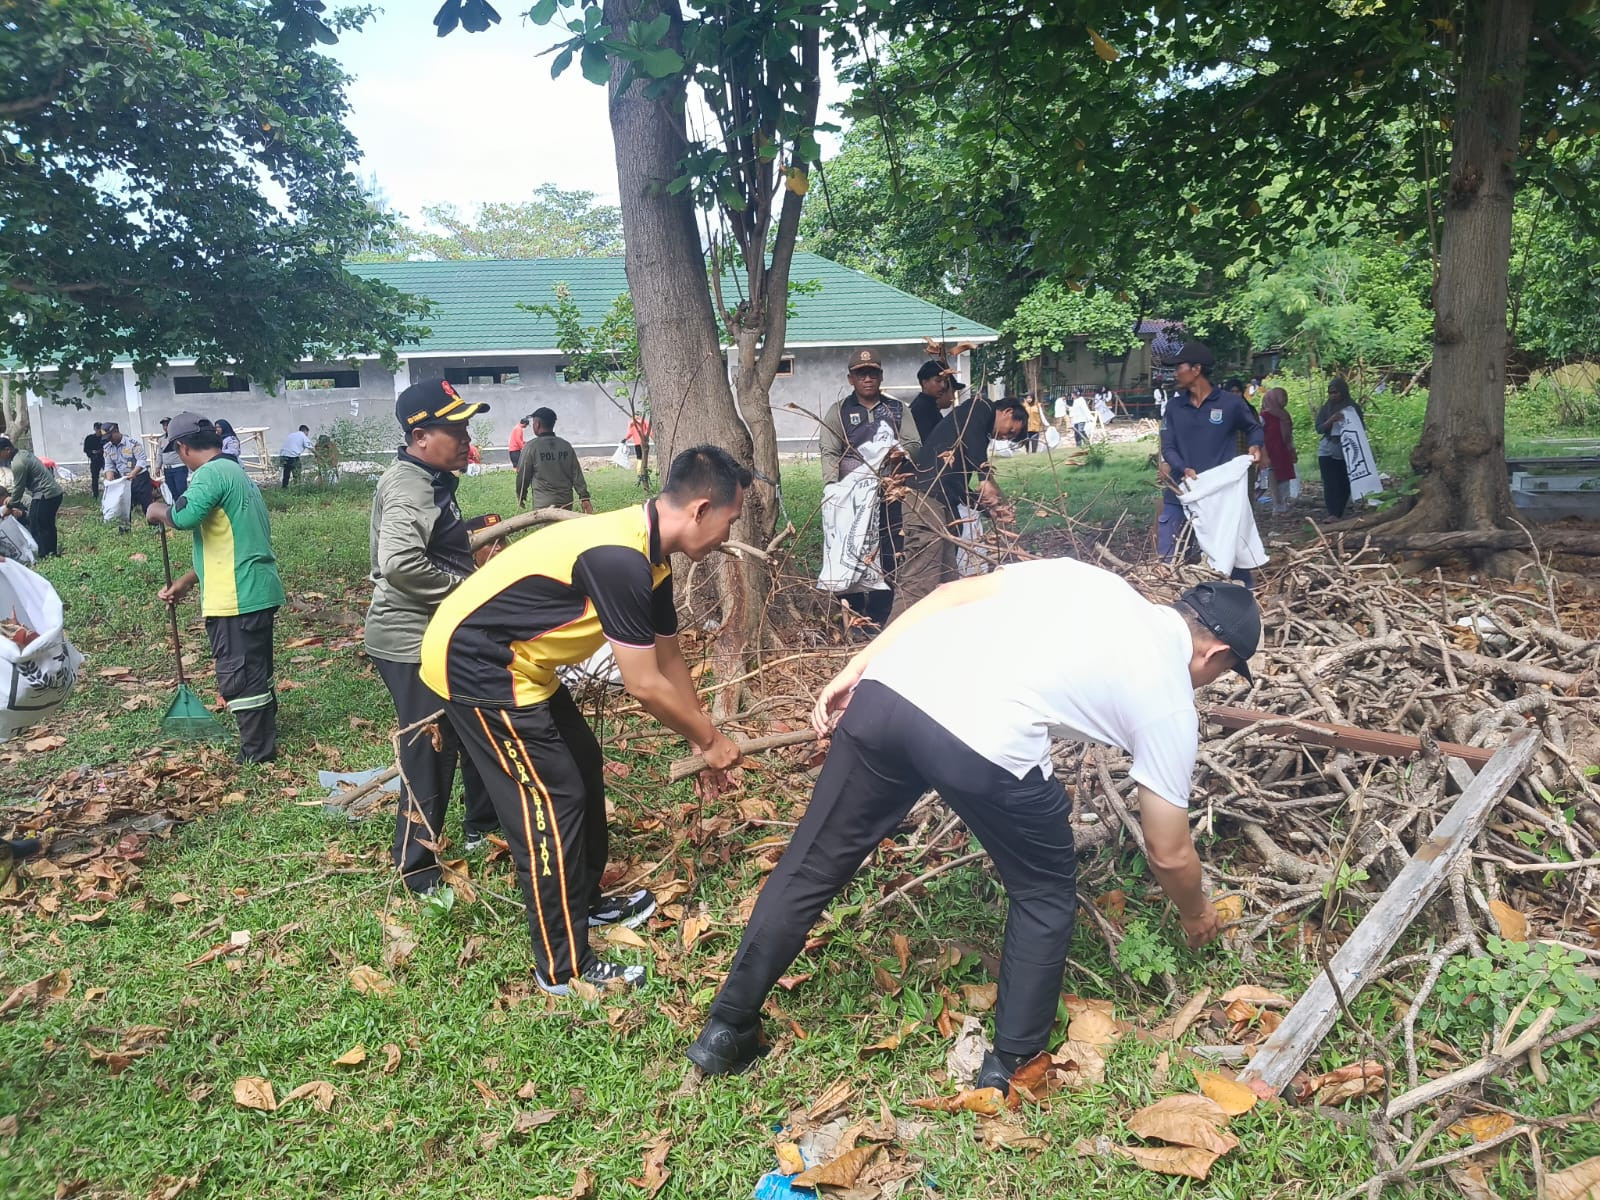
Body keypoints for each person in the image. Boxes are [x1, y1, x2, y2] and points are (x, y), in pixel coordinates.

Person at [686, 562, 1258, 1081]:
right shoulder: (1169, 699)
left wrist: (860, 664)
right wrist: (1197, 913)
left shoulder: (1095, 582)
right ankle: (1011, 1065)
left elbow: (951, 592)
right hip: (981, 737)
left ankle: (726, 1030)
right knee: (1044, 888)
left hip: (890, 688)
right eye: (1226, 672)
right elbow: (1168, 849)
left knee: (811, 864)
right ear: (1217, 655)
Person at [419, 445, 753, 996]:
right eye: (729, 520)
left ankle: (586, 900)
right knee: (551, 804)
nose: (726, 535)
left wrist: (704, 739)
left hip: (521, 662)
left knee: (582, 764)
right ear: (699, 510)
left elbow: (669, 660)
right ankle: (562, 967)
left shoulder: (653, 555)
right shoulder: (619, 558)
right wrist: (712, 741)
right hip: (477, 665)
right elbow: (644, 684)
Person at [366, 380, 502, 895]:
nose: (467, 438)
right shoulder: (411, 485)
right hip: (408, 638)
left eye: (466, 427)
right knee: (430, 748)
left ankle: (481, 829)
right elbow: (400, 563)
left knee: (475, 725)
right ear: (420, 436)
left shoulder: (431, 478)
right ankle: (416, 869)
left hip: (437, 632)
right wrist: (472, 588)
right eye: (456, 429)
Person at [145, 414, 285, 763]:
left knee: (239, 674)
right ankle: (265, 734)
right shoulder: (237, 473)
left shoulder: (209, 474)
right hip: (256, 587)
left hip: (237, 595)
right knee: (257, 670)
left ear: (182, 448)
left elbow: (183, 517)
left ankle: (256, 752)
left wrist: (156, 510)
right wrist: (187, 582)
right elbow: (228, 543)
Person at [890, 394, 1027, 620]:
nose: (1004, 437)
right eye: (1010, 430)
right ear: (1007, 412)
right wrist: (985, 478)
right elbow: (974, 443)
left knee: (947, 575)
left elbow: (956, 485)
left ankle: (941, 631)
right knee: (921, 574)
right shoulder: (979, 406)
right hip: (925, 498)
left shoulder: (975, 435)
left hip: (942, 502)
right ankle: (891, 638)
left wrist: (988, 507)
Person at [818, 348, 921, 628]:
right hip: (851, 496)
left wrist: (896, 454)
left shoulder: (897, 409)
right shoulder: (839, 411)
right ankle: (851, 615)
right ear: (851, 379)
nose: (867, 379)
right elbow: (829, 450)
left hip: (890, 492)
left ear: (880, 376)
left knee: (889, 550)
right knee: (848, 550)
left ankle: (881, 614)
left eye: (872, 373)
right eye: (861, 374)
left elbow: (914, 444)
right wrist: (832, 487)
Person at [1157, 341, 1264, 586]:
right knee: (1168, 558)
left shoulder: (1230, 403)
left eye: (1178, 367)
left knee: (1228, 555)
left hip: (1219, 497)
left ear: (1196, 369)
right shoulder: (1174, 407)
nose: (1174, 373)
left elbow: (1254, 427)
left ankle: (1245, 603)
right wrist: (1183, 468)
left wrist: (1255, 444)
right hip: (1180, 492)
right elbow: (1168, 446)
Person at [516, 408, 593, 514]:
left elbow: (523, 475)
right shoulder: (566, 446)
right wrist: (584, 498)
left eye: (533, 422)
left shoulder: (531, 447)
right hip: (566, 501)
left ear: (537, 424)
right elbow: (576, 474)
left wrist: (521, 494)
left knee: (547, 530)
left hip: (543, 503)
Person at [0, 436, 63, 558]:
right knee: (47, 525)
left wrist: (9, 505)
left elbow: (19, 488)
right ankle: (51, 553)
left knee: (37, 526)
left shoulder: (18, 463)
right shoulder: (23, 454)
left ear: (7, 450)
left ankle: (45, 555)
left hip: (44, 494)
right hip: (54, 493)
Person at [1316, 378, 1357, 519]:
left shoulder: (1352, 407)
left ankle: (1339, 510)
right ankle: (1332, 512)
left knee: (1343, 480)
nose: (1333, 396)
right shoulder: (1326, 408)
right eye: (1331, 393)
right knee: (1329, 481)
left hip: (1345, 448)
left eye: (1336, 392)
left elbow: (1359, 428)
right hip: (1327, 446)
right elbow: (1319, 428)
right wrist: (1331, 420)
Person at [101, 423, 151, 532]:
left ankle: (155, 530)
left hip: (139, 478)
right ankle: (125, 531)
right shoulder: (108, 448)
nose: (110, 440)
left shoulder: (133, 444)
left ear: (116, 432)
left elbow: (142, 460)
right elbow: (109, 466)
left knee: (147, 505)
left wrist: (133, 473)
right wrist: (109, 480)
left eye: (110, 437)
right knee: (123, 507)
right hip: (124, 481)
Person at [1260, 387, 1297, 515]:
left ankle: (1285, 502)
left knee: (1285, 476)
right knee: (1273, 477)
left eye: (1286, 397)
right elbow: (1259, 435)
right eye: (1282, 397)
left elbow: (1289, 435)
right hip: (1271, 451)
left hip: (1283, 451)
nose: (1285, 400)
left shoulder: (1284, 415)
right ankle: (1277, 505)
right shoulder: (1264, 416)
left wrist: (1292, 450)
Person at [908, 359, 961, 442]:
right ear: (925, 383)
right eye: (938, 381)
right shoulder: (921, 408)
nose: (943, 386)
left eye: (945, 381)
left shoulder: (930, 406)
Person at [158, 418, 189, 502]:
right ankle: (178, 511)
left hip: (179, 467)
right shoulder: (161, 439)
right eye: (164, 425)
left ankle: (186, 509)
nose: (165, 427)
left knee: (181, 490)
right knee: (173, 491)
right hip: (167, 469)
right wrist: (158, 467)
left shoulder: (178, 437)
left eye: (167, 425)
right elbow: (160, 454)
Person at [625, 414, 651, 485]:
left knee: (639, 459)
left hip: (636, 444)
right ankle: (643, 472)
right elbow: (649, 430)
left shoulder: (632, 424)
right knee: (644, 458)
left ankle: (639, 472)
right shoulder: (643, 422)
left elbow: (630, 433)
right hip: (643, 443)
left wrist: (625, 439)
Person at [83, 423, 105, 500]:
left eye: (100, 429)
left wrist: (101, 452)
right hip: (94, 459)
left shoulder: (105, 438)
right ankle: (95, 495)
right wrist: (92, 453)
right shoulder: (90, 438)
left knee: (109, 475)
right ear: (95, 429)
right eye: (97, 429)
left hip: (104, 459)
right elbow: (86, 449)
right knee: (95, 478)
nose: (99, 431)